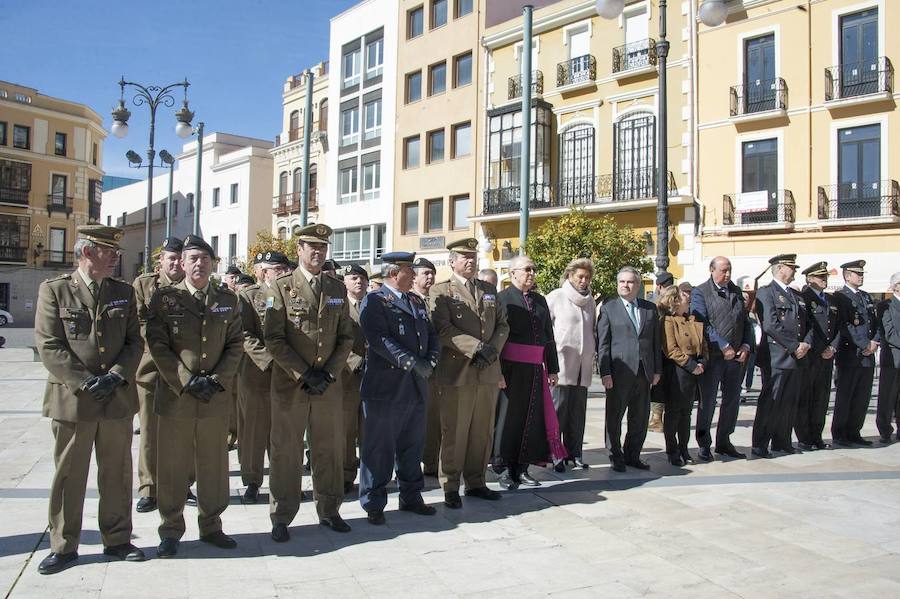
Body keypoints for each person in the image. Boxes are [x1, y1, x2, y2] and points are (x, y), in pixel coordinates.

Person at [34, 225, 145, 574]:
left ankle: (117, 539)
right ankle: (64, 545)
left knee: (116, 473)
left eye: (116, 252)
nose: (114, 257)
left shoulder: (123, 292)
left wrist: (115, 375)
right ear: (86, 252)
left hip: (114, 397)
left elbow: (134, 342)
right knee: (70, 474)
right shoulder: (55, 290)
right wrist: (84, 382)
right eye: (108, 251)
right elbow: (49, 344)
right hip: (74, 400)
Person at [147, 234, 244, 558]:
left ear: (213, 263)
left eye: (204, 258)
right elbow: (157, 345)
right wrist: (187, 381)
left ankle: (212, 524)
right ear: (182, 264)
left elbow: (235, 344)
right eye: (192, 258)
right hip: (177, 398)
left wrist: (215, 380)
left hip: (213, 398)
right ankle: (171, 529)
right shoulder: (164, 299)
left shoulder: (228, 299)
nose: (199, 264)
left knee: (214, 465)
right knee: (173, 466)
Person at [263, 223, 354, 541]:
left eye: (323, 247)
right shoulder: (280, 287)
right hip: (292, 386)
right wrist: (304, 373)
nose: (318, 252)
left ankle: (329, 510)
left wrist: (328, 372)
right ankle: (281, 514)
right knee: (285, 451)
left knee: (329, 449)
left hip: (327, 386)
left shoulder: (336, 289)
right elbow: (273, 339)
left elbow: (346, 337)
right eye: (311, 246)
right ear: (299, 250)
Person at [358, 252, 441, 524]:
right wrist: (411, 362)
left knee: (412, 445)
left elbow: (431, 335)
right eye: (410, 270)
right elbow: (378, 339)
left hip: (415, 386)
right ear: (395, 273)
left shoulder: (415, 300)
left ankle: (411, 496)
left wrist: (430, 360)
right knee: (379, 447)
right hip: (387, 387)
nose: (415, 275)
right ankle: (374, 502)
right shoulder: (375, 300)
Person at [430, 238, 509, 508]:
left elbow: (502, 325)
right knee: (455, 430)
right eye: (464, 256)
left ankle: (476, 481)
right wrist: (476, 349)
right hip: (458, 371)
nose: (470, 261)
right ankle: (450, 485)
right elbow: (443, 329)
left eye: (473, 256)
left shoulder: (488, 289)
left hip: (487, 370)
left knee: (482, 431)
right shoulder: (441, 291)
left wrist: (491, 351)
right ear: (452, 261)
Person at [495, 255, 562, 488]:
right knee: (507, 420)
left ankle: (522, 467)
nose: (532, 273)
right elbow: (496, 339)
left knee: (531, 419)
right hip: (509, 369)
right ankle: (503, 468)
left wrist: (553, 367)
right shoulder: (502, 299)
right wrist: (497, 372)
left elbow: (548, 337)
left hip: (535, 369)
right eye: (527, 269)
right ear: (512, 273)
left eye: (534, 269)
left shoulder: (540, 300)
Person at [132, 237, 184, 514]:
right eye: (170, 258)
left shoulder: (194, 285)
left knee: (184, 431)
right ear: (160, 261)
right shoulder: (144, 285)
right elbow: (139, 323)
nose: (176, 263)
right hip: (151, 368)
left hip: (185, 371)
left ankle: (182, 483)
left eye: (179, 258)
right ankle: (149, 488)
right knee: (150, 431)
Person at [236, 251, 290, 503]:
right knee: (255, 433)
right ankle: (252, 481)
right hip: (258, 375)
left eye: (283, 268)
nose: (282, 272)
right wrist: (270, 361)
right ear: (264, 272)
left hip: (288, 375)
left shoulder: (292, 294)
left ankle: (284, 480)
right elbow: (245, 335)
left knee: (284, 432)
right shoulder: (249, 296)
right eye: (276, 268)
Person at [597, 266, 662, 472]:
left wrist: (657, 370)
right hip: (619, 372)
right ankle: (615, 454)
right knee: (614, 416)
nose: (625, 285)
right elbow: (603, 344)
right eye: (622, 282)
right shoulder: (609, 309)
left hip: (644, 372)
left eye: (630, 282)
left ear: (638, 285)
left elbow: (655, 342)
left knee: (640, 417)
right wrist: (605, 372)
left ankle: (633, 454)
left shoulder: (650, 309)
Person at [690, 256, 753, 461]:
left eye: (729, 270)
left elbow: (745, 321)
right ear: (712, 270)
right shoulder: (700, 292)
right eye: (723, 270)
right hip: (713, 356)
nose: (727, 274)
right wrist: (723, 345)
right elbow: (701, 323)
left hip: (735, 358)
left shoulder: (735, 291)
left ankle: (724, 441)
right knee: (707, 401)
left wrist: (745, 344)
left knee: (732, 401)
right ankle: (704, 443)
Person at [750, 255, 812, 458]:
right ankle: (760, 443)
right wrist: (794, 346)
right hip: (776, 356)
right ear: (780, 269)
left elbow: (809, 324)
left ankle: (782, 441)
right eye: (791, 268)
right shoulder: (766, 293)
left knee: (789, 402)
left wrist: (807, 344)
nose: (794, 271)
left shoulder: (797, 295)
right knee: (771, 401)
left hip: (797, 356)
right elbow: (770, 325)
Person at [546, 257, 596, 471]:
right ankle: (556, 455)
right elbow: (547, 331)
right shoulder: (556, 297)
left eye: (587, 277)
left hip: (583, 367)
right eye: (580, 277)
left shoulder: (591, 301)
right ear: (570, 276)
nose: (583, 281)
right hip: (562, 365)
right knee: (559, 413)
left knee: (578, 414)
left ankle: (575, 453)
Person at [832, 259, 879, 447]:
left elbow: (875, 323)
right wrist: (864, 344)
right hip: (850, 354)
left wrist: (874, 341)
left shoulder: (866, 297)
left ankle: (854, 432)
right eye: (857, 274)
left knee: (862, 396)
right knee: (846, 395)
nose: (860, 277)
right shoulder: (840, 297)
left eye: (862, 274)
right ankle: (840, 433)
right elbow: (844, 325)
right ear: (847, 275)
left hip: (868, 355)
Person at [658, 286, 707, 466]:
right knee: (673, 413)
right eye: (685, 296)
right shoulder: (669, 321)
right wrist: (691, 365)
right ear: (676, 301)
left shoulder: (693, 320)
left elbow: (702, 344)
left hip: (694, 372)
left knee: (686, 414)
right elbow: (671, 349)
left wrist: (702, 362)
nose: (689, 299)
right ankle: (672, 451)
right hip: (678, 372)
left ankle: (684, 448)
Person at [795, 261, 841, 450]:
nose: (824, 280)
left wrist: (833, 347)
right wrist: (818, 347)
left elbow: (838, 327)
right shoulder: (803, 298)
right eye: (821, 277)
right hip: (811, 355)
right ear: (809, 279)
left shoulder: (830, 300)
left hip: (827, 356)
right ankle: (805, 438)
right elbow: (806, 327)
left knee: (821, 399)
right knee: (806, 397)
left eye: (825, 277)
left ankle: (817, 436)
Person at [411, 257, 441, 476]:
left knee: (434, 418)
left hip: (436, 369)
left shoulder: (438, 301)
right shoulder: (409, 300)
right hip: (414, 369)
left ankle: (430, 462)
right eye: (425, 273)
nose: (430, 277)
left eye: (432, 273)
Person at [341, 263, 369, 494]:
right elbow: (334, 340)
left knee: (370, 430)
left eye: (361, 278)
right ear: (345, 283)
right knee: (347, 431)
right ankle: (346, 475)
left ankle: (370, 477)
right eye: (353, 278)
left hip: (374, 378)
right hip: (347, 378)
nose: (358, 282)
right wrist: (356, 362)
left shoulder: (376, 304)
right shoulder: (338, 306)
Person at [649, 271, 675, 432]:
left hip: (660, 350)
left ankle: (656, 418)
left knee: (659, 385)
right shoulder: (677, 301)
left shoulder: (655, 304)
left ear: (659, 286)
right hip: (672, 352)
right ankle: (658, 418)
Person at [876, 272, 900, 444]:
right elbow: (889, 332)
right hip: (893, 357)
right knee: (887, 396)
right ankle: (885, 430)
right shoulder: (886, 305)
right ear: (895, 286)